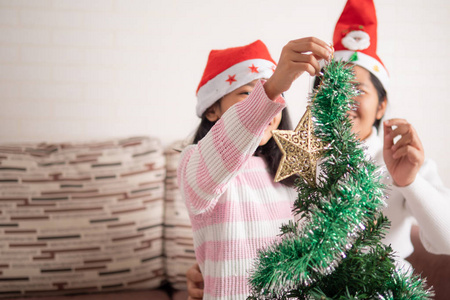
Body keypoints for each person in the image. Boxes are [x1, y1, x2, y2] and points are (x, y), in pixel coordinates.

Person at [185, 0, 450, 299]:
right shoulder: (297, 160)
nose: (342, 99)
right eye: (330, 88)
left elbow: (446, 242)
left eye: (358, 90)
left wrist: (410, 183)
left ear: (382, 105)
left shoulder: (405, 163)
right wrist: (211, 269)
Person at [177, 38, 332, 300]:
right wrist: (270, 89)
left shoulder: (292, 169)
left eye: (278, 97)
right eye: (247, 93)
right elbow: (221, 153)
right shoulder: (196, 161)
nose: (270, 106)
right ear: (213, 109)